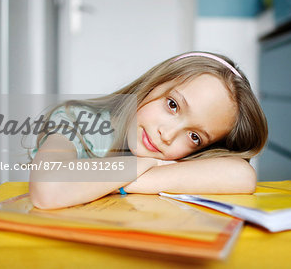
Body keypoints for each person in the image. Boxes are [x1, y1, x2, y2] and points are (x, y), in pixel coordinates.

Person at [29, 51, 268, 209]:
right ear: (155, 83)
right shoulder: (76, 122)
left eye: (194, 136)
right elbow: (47, 189)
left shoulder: (177, 158)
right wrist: (145, 165)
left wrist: (123, 179)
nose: (168, 134)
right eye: (173, 105)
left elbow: (242, 176)